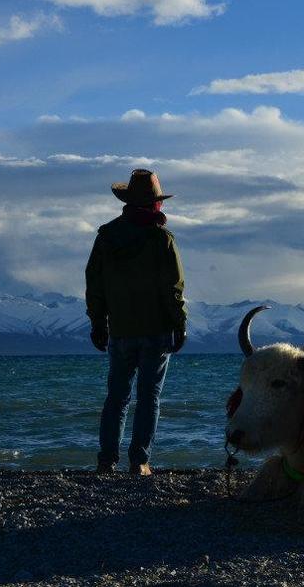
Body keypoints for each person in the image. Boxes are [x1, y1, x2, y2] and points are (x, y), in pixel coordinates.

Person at [85, 169, 187, 475]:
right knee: (148, 399)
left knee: (116, 398)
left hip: (120, 330)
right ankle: (139, 461)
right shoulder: (161, 238)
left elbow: (95, 284)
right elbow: (174, 288)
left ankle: (106, 460)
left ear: (128, 200)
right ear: (156, 203)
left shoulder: (107, 237)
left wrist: (98, 323)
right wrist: (180, 323)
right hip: (156, 331)